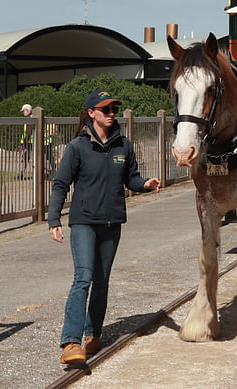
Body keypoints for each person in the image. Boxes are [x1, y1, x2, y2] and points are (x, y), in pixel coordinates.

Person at [48, 90, 161, 365]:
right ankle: (71, 341)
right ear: (91, 113)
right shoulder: (77, 147)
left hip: (112, 223)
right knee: (83, 278)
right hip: (84, 222)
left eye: (113, 109)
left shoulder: (124, 145)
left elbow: (131, 179)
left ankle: (92, 333)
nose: (111, 113)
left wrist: (145, 184)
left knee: (102, 282)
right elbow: (61, 184)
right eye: (105, 109)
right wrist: (54, 220)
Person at [16, 103, 33, 179]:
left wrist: (22, 144)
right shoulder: (30, 118)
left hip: (30, 143)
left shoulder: (30, 119)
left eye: (23, 111)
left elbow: (28, 133)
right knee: (25, 159)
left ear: (28, 111)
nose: (23, 112)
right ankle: (20, 174)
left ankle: (20, 175)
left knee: (27, 159)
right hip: (30, 143)